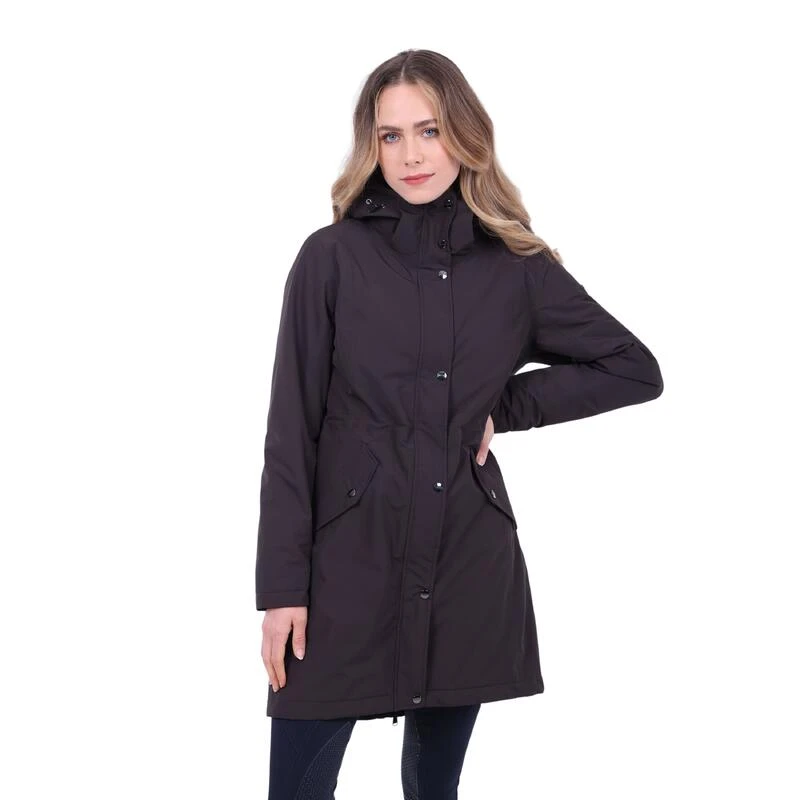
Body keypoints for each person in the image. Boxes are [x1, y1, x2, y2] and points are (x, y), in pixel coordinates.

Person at [255, 49, 664, 799]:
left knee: (433, 790)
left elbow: (633, 368)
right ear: (371, 145)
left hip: (465, 565)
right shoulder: (330, 259)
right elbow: (291, 433)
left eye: (430, 130)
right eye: (391, 136)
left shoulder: (516, 267)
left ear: (465, 135)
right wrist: (282, 589)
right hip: (344, 568)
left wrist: (501, 408)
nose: (411, 155)